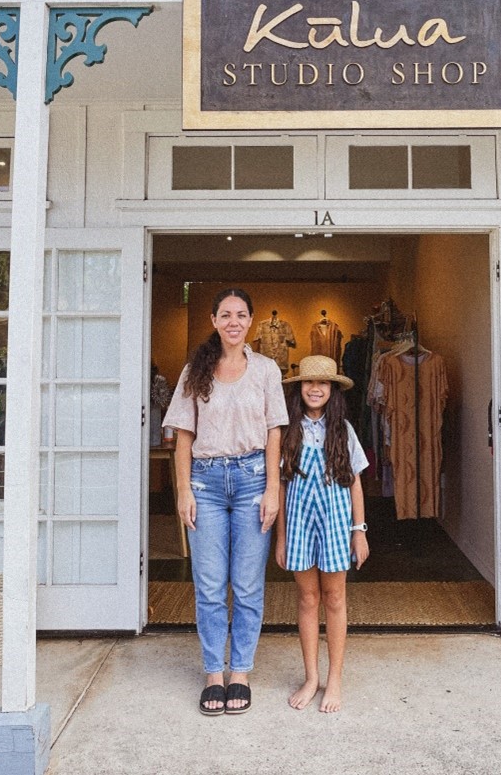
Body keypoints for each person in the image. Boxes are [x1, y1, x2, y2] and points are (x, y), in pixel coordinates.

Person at [162, 287, 288, 716]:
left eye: (240, 314)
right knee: (211, 584)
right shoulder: (194, 371)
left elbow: (275, 433)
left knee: (249, 584)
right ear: (214, 321)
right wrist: (182, 490)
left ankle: (241, 672)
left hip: (253, 480)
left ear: (251, 321)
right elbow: (183, 436)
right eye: (225, 314)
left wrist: (273, 488)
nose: (233, 321)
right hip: (206, 484)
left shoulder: (267, 370)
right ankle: (214, 672)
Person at [276, 355, 370, 713]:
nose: (315, 389)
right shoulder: (287, 431)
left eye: (323, 383)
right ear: (299, 388)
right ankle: (311, 676)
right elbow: (282, 487)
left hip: (335, 523)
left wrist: (358, 532)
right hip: (299, 523)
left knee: (334, 598)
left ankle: (334, 679)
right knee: (307, 599)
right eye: (308, 382)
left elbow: (356, 484)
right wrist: (282, 537)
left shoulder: (343, 430)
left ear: (333, 390)